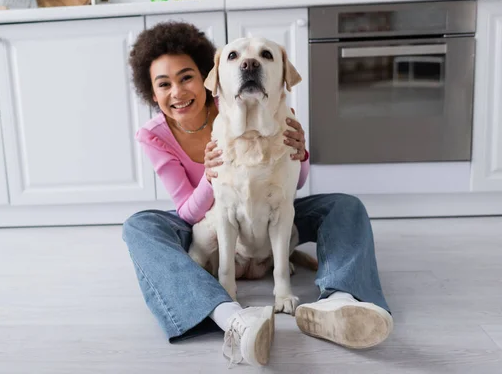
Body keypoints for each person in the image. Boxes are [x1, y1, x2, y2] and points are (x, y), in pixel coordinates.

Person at [122, 21, 393, 367]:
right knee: (138, 227)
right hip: (204, 216)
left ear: (209, 78)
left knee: (345, 205)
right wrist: (211, 176)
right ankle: (229, 316)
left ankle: (341, 299)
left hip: (272, 209)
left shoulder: (261, 109)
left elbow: (294, 186)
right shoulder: (155, 134)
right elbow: (187, 214)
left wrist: (300, 152)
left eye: (187, 77)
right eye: (164, 84)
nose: (177, 91)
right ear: (153, 92)